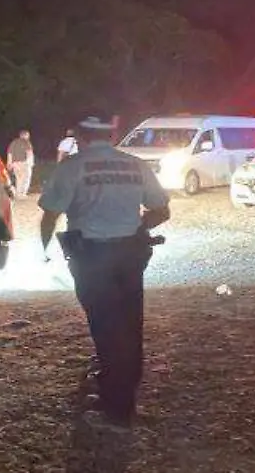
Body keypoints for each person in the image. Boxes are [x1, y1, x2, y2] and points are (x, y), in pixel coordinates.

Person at [38, 116, 170, 432]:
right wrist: (138, 227)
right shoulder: (136, 165)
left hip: (92, 256)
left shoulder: (72, 167)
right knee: (129, 320)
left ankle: (117, 410)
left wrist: (43, 250)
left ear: (80, 135)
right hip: (130, 254)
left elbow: (50, 215)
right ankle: (124, 386)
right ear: (111, 135)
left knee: (106, 325)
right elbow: (161, 210)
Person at [7, 130, 35, 198]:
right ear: (25, 135)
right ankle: (23, 193)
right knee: (26, 178)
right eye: (28, 135)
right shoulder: (26, 142)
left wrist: (9, 163)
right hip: (24, 163)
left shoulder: (13, 142)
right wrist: (30, 163)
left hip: (15, 163)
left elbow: (9, 153)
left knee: (18, 179)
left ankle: (18, 194)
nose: (28, 137)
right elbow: (29, 153)